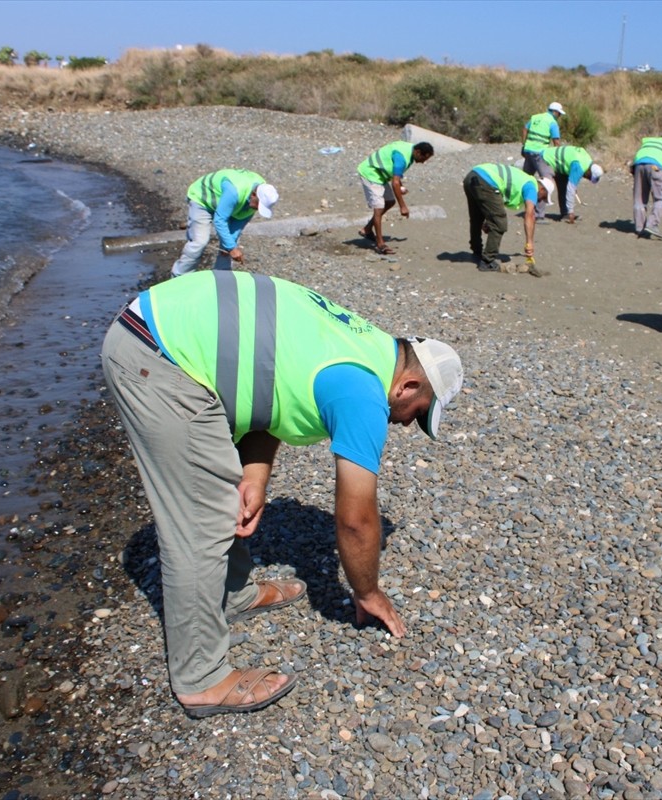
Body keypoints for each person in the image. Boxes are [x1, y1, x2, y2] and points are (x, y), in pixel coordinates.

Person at [101, 270, 464, 718]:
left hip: (162, 328)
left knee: (227, 491)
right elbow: (355, 519)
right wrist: (367, 591)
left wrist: (255, 475)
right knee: (202, 521)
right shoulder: (363, 393)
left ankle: (230, 596)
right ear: (407, 387)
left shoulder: (366, 344)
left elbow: (271, 378)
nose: (408, 424)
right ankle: (201, 680)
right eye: (418, 413)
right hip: (156, 354)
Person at [170, 169, 279, 277]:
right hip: (203, 200)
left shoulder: (259, 195)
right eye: (258, 205)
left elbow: (240, 221)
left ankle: (222, 277)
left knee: (229, 243)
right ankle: (179, 276)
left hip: (227, 202)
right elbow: (220, 220)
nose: (257, 209)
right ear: (254, 194)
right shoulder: (235, 191)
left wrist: (230, 246)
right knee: (199, 242)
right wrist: (231, 248)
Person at [462, 163, 553, 273]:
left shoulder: (523, 179)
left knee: (476, 218)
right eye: (543, 197)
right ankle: (487, 261)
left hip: (471, 176)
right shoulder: (532, 187)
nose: (541, 201)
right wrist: (529, 243)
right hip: (486, 181)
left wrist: (489, 219)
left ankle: (476, 252)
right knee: (500, 224)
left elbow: (490, 204)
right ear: (542, 189)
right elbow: (530, 215)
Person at [356, 141, 434, 255]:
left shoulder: (408, 148)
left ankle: (367, 230)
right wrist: (403, 206)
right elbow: (395, 183)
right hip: (370, 173)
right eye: (424, 158)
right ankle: (380, 244)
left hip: (380, 174)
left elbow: (395, 175)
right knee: (379, 207)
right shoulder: (402, 159)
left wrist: (400, 186)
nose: (423, 162)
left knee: (390, 201)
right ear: (418, 152)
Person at [520, 102, 566, 222]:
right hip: (540, 154)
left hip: (528, 151)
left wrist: (524, 145)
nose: (559, 116)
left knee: (526, 179)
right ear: (555, 112)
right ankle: (539, 215)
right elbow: (556, 142)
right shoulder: (552, 123)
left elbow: (525, 129)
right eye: (559, 114)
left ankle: (526, 208)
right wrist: (557, 158)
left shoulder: (535, 117)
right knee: (546, 182)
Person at [535, 145, 603, 223]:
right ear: (589, 172)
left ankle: (565, 214)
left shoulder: (587, 160)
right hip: (546, 159)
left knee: (564, 186)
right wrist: (571, 211)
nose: (587, 178)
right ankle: (537, 216)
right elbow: (571, 189)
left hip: (560, 165)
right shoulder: (579, 166)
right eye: (589, 177)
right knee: (545, 187)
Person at [631, 133, 662, 239]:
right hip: (655, 167)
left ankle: (639, 227)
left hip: (638, 166)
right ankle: (652, 224)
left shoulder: (649, 141)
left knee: (639, 199)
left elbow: (637, 156)